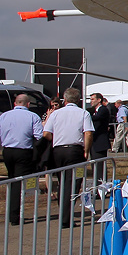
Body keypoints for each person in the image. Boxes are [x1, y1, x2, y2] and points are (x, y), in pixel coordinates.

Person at [42, 88, 93, 227]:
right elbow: (88, 133)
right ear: (78, 100)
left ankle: (63, 210)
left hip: (58, 150)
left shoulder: (56, 114)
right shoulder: (83, 113)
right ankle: (66, 217)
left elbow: (46, 133)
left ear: (65, 100)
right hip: (75, 151)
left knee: (62, 181)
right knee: (74, 183)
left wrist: (56, 139)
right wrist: (86, 151)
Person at [0, 93, 44, 225]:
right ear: (28, 104)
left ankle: (11, 213)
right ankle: (14, 215)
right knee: (18, 183)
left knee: (12, 178)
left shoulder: (4, 116)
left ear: (15, 103)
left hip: (7, 151)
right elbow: (39, 136)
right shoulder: (32, 116)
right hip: (23, 151)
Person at [88, 93, 111, 160]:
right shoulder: (94, 111)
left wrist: (86, 117)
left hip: (100, 142)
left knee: (99, 163)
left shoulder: (103, 109)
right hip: (94, 141)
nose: (91, 101)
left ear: (99, 100)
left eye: (93, 99)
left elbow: (98, 117)